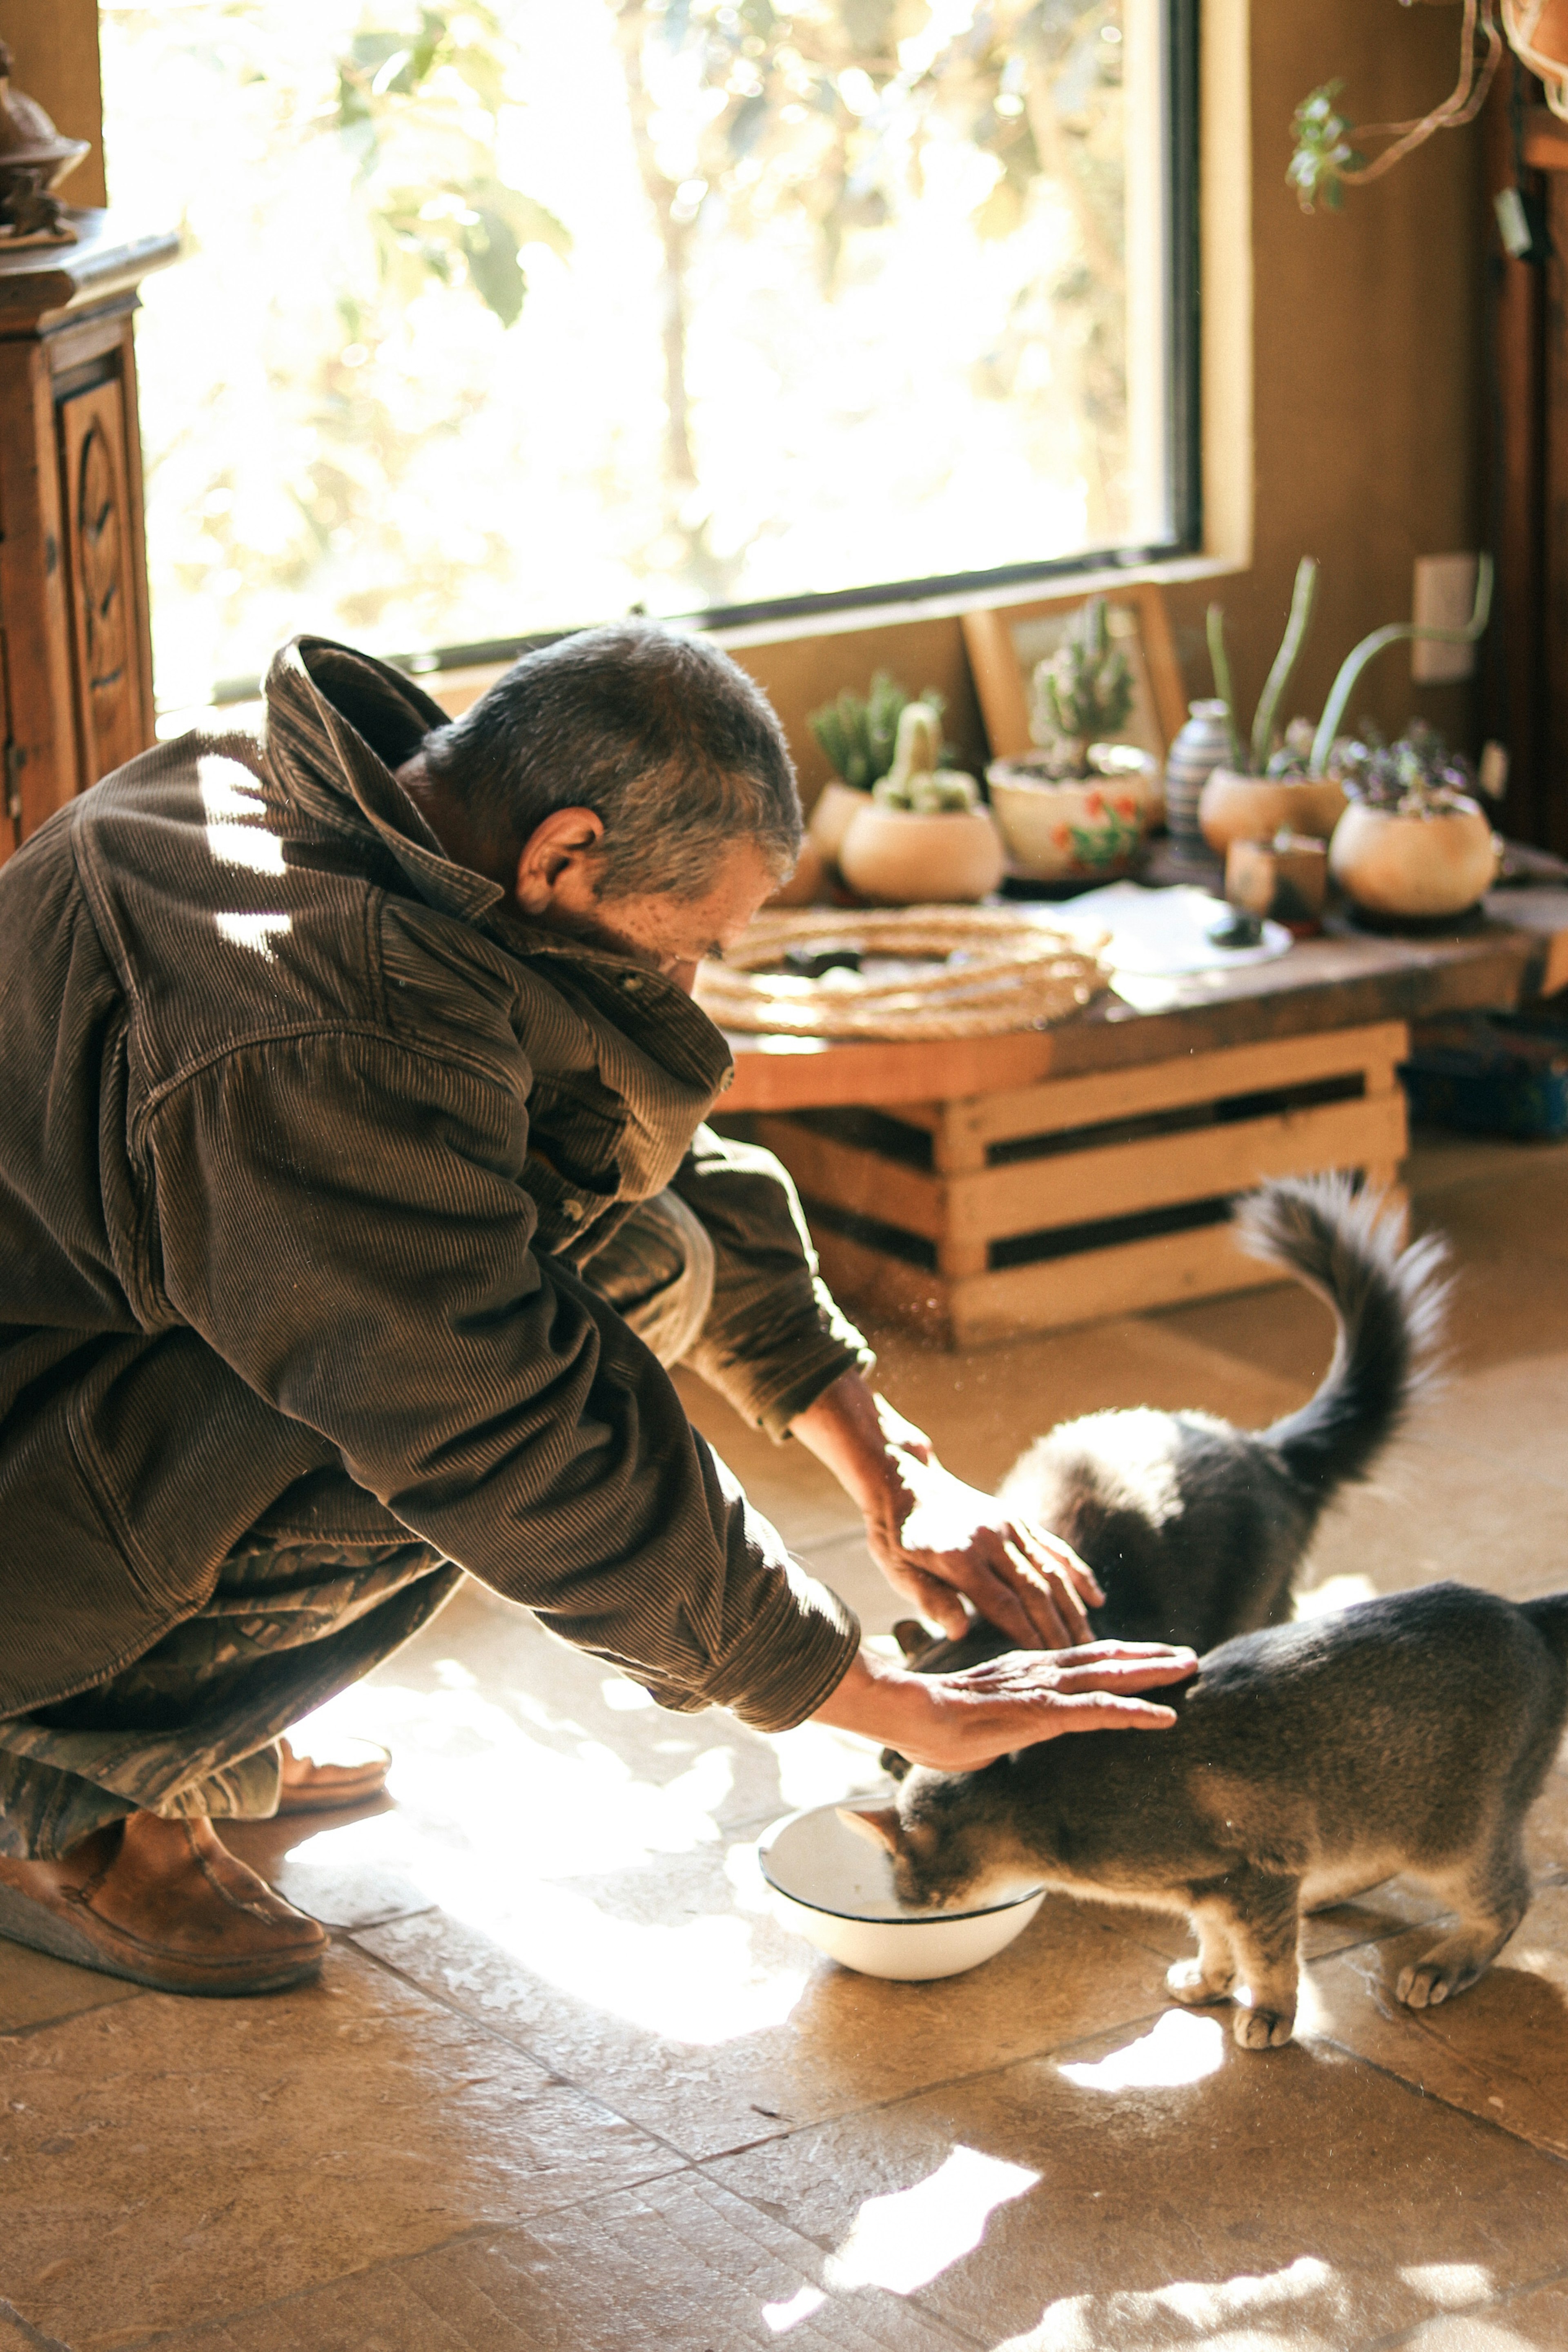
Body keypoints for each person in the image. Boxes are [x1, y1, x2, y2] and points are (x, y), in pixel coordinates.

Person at [0, 623, 1195, 1996]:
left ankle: (182, 1718)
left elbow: (617, 1143)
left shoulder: (352, 804)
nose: (684, 987)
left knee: (648, 1256)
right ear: (564, 852)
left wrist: (891, 1467)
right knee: (440, 1425)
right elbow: (505, 1434)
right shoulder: (311, 1025)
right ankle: (63, 1780)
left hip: (74, 1389)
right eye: (689, 947)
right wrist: (868, 1695)